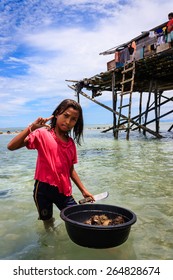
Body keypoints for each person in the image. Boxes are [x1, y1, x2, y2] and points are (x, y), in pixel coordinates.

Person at [7, 99, 94, 229]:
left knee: (78, 220)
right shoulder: (42, 134)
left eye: (73, 119)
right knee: (48, 223)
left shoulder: (71, 144)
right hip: (42, 190)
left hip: (64, 192)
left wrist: (83, 190)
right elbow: (11, 146)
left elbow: (70, 170)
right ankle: (50, 244)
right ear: (58, 113)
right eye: (65, 116)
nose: (68, 122)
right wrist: (31, 128)